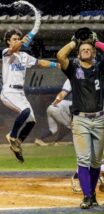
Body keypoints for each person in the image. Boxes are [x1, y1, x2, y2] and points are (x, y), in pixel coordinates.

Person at [57, 29, 104, 209]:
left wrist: (95, 42)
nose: (86, 51)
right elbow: (60, 55)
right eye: (82, 49)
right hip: (80, 120)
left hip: (98, 120)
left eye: (89, 50)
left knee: (96, 161)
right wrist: (75, 42)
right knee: (84, 159)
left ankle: (92, 193)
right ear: (77, 53)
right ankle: (86, 196)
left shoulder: (100, 69)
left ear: (93, 53)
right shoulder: (73, 69)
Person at [1, 29, 60, 163]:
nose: (16, 41)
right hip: (9, 92)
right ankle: (12, 135)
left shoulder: (24, 56)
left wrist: (57, 65)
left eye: (18, 39)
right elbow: (13, 49)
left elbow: (40, 62)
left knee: (31, 121)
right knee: (26, 111)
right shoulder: (6, 53)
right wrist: (21, 41)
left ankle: (17, 144)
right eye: (14, 39)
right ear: (8, 42)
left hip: (21, 93)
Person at [34, 77, 104, 146]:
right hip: (57, 108)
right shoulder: (79, 101)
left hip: (51, 107)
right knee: (70, 125)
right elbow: (73, 108)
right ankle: (60, 141)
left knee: (53, 129)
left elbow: (64, 98)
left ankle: (39, 139)